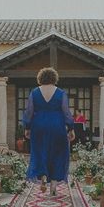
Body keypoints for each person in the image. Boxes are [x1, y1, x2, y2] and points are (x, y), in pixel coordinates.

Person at [23, 67, 75, 195]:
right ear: (54, 78)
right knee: (58, 153)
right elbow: (66, 112)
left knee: (39, 152)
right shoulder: (61, 93)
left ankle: (43, 177)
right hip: (57, 125)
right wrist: (71, 128)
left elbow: (29, 111)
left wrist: (27, 127)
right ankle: (53, 185)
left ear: (40, 78)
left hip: (39, 125)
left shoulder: (34, 92)